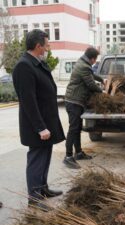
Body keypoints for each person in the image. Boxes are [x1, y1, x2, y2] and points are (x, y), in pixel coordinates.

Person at [12, 29, 65, 209]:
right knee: (36, 158)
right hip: (36, 125)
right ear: (38, 46)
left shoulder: (36, 63)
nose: (48, 48)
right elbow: (28, 101)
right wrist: (40, 127)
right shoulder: (24, 66)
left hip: (46, 122)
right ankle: (34, 198)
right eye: (47, 45)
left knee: (45, 156)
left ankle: (43, 189)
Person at [63, 47, 103, 169]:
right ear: (92, 58)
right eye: (95, 60)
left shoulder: (83, 63)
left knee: (77, 128)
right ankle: (68, 157)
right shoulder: (84, 66)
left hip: (76, 101)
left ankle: (78, 153)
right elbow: (90, 84)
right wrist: (102, 91)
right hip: (74, 101)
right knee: (73, 128)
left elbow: (91, 75)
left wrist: (101, 79)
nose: (95, 62)